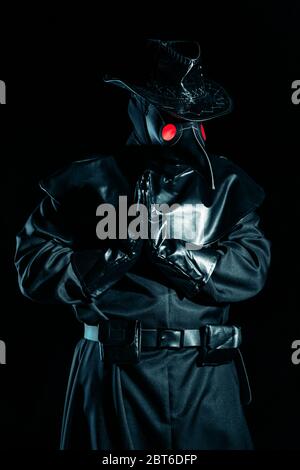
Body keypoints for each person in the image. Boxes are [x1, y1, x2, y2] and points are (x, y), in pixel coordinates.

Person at [15, 39, 271, 450]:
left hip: (206, 381)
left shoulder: (227, 187)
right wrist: (109, 258)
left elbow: (253, 266)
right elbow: (33, 268)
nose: (180, 127)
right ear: (136, 106)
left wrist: (181, 259)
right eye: (169, 113)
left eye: (190, 116)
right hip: (115, 376)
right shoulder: (87, 183)